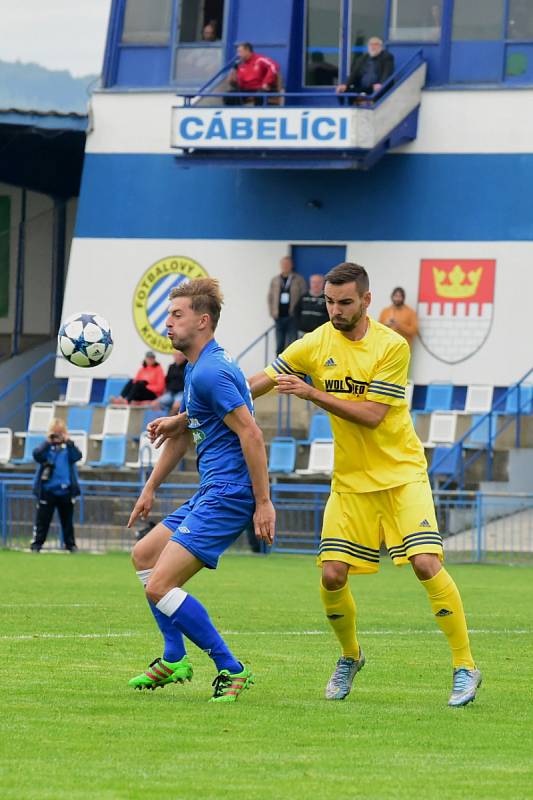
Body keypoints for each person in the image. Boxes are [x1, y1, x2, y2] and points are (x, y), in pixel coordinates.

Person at [252, 262, 481, 708]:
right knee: (332, 575)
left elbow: (373, 417)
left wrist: (312, 392)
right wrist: (197, 410)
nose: (335, 311)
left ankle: (465, 665)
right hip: (351, 483)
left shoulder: (392, 346)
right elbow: (260, 381)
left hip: (401, 474)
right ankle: (350, 656)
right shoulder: (316, 342)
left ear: (366, 301)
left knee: (425, 564)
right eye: (330, 303)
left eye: (345, 302)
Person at [127, 277, 275, 703]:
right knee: (144, 555)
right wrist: (150, 488)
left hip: (230, 494)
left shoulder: (209, 371)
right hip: (212, 489)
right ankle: (175, 657)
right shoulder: (198, 367)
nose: (168, 323)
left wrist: (262, 503)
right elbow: (184, 432)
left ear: (203, 321)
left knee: (159, 585)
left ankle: (232, 668)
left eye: (177, 315)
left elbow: (251, 433)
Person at [31, 418, 82, 553]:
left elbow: (78, 456)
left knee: (67, 522)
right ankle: (37, 545)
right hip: (48, 490)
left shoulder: (68, 451)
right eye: (55, 433)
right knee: (42, 521)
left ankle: (70, 545)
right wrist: (48, 442)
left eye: (60, 433)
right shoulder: (46, 450)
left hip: (65, 491)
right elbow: (36, 455)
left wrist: (68, 442)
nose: (57, 437)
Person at [268, 256, 307, 355]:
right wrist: (272, 313)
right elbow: (270, 297)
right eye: (283, 264)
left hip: (293, 317)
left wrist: (299, 314)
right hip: (279, 317)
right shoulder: (275, 280)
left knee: (291, 345)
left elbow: (304, 297)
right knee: (279, 345)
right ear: (280, 265)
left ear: (291, 265)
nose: (285, 266)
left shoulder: (299, 279)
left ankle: (290, 369)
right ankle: (278, 369)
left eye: (287, 264)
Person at [336, 37, 394, 102]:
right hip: (362, 87)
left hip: (376, 87)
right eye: (371, 44)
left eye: (376, 44)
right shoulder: (362, 58)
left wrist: (381, 84)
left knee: (379, 91)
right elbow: (354, 73)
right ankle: (349, 109)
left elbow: (387, 72)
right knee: (343, 91)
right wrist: (345, 85)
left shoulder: (387, 57)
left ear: (381, 46)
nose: (373, 46)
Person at [153, 350, 187, 415]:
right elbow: (167, 380)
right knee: (155, 403)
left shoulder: (188, 366)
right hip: (170, 393)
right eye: (176, 355)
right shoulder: (171, 366)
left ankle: (169, 423)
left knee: (176, 406)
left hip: (182, 392)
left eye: (180, 355)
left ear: (185, 356)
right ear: (174, 356)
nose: (178, 357)